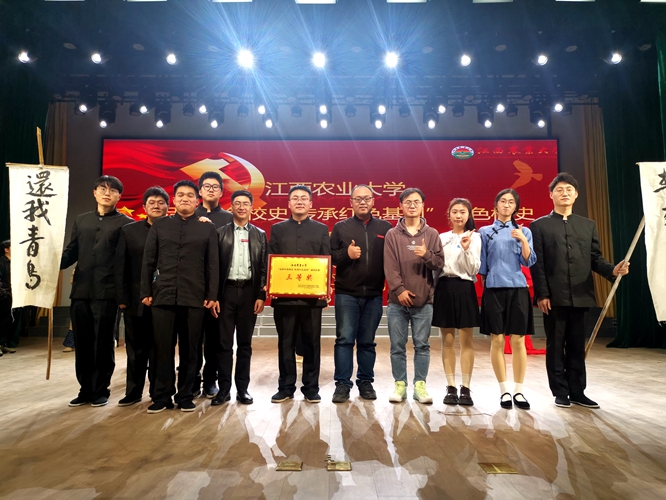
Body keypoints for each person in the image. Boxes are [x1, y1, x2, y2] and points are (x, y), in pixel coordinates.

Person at [531, 172, 629, 409]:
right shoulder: (539, 226)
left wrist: (612, 270)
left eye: (569, 190)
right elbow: (538, 263)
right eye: (559, 190)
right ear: (551, 195)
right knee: (556, 345)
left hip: (582, 294)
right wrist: (542, 294)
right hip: (554, 297)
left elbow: (595, 258)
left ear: (576, 194)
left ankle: (577, 391)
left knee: (577, 345)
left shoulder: (588, 225)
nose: (564, 193)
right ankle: (560, 391)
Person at [140, 180, 219, 413]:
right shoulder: (160, 225)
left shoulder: (207, 228)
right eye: (181, 195)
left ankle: (185, 395)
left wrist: (212, 294)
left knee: (190, 349)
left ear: (197, 201)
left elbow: (212, 264)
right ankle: (161, 396)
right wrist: (145, 291)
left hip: (194, 296)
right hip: (162, 296)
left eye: (190, 195)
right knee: (162, 348)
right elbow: (149, 259)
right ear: (174, 200)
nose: (185, 198)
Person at [60, 175, 133, 407]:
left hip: (107, 293)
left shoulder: (126, 223)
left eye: (112, 190)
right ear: (94, 192)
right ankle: (85, 389)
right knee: (82, 343)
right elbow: (72, 251)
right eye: (102, 188)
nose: (107, 193)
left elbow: (127, 261)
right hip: (80, 291)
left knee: (103, 343)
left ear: (119, 196)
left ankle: (101, 389)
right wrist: (51, 262)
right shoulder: (82, 220)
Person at [329, 184, 392, 403]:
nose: (362, 202)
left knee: (367, 342)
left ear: (373, 201)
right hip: (346, 294)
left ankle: (365, 382)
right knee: (344, 340)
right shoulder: (340, 227)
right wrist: (346, 254)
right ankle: (342, 384)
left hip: (373, 294)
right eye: (358, 199)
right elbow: (330, 257)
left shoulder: (385, 228)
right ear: (351, 203)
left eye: (366, 198)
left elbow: (392, 258)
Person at [269, 185, 330, 404]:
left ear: (311, 204)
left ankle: (311, 388)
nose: (300, 201)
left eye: (304, 198)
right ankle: (285, 387)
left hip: (312, 300)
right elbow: (271, 258)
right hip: (284, 299)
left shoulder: (321, 229)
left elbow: (326, 259)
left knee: (312, 343)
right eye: (295, 198)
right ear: (289, 203)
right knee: (285, 343)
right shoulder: (277, 229)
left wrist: (325, 288)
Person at [384, 188, 444, 404]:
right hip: (397, 302)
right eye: (408, 202)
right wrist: (399, 290)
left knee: (422, 345)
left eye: (416, 202)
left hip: (424, 302)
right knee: (397, 346)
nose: (412, 205)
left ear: (423, 206)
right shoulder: (392, 235)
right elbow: (390, 267)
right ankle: (400, 385)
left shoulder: (432, 234)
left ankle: (420, 386)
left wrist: (426, 254)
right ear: (401, 205)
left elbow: (439, 264)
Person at [479, 188, 536, 410]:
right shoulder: (485, 231)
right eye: (502, 201)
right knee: (497, 340)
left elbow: (528, 261)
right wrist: (487, 285)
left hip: (518, 288)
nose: (506, 205)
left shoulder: (524, 231)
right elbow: (482, 265)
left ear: (516, 207)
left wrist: (523, 240)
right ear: (495, 205)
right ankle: (504, 391)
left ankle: (519, 391)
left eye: (511, 202)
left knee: (518, 340)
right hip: (494, 289)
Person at [211, 189, 267, 406]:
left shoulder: (260, 235)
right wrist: (214, 295)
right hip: (225, 293)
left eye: (246, 203)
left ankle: (243, 389)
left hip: (249, 293)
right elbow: (213, 267)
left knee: (245, 344)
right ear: (231, 207)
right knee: (224, 344)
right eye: (237, 203)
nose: (241, 207)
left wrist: (261, 295)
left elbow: (263, 268)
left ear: (252, 207)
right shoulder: (220, 233)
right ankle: (224, 389)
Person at [114, 186, 169, 406]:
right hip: (135, 301)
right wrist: (122, 297)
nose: (156, 206)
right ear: (144, 207)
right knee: (135, 350)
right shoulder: (129, 231)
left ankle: (158, 392)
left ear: (168, 206)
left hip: (164, 300)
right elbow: (121, 266)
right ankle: (133, 392)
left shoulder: (174, 230)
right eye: (151, 202)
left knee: (160, 350)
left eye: (161, 202)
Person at [432, 198, 481, 406]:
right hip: (444, 287)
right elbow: (435, 266)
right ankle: (451, 386)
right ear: (449, 215)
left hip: (465, 288)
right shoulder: (441, 237)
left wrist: (466, 248)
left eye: (462, 212)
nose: (459, 215)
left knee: (466, 341)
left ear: (469, 215)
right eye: (455, 211)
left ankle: (466, 387)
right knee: (448, 341)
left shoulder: (475, 237)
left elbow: (474, 269)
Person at [194, 171, 233, 399]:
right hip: (193, 287)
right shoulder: (189, 215)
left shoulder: (229, 218)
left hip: (219, 289)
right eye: (206, 186)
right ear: (200, 191)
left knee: (214, 339)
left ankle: (210, 380)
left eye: (215, 186)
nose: (210, 190)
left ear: (221, 191)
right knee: (192, 338)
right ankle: (191, 380)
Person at [0, 240, 17, 355]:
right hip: (3, 295)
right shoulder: (1, 262)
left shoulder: (15, 263)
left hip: (13, 295)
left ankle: (3, 344)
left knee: (8, 320)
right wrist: (3, 292)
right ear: (6, 250)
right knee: (1, 320)